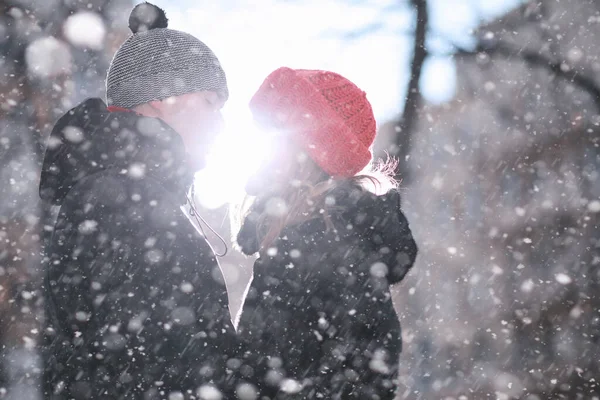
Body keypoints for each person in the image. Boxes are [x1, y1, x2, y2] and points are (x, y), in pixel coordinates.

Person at [39, 3, 239, 399]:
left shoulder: (131, 192)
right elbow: (153, 367)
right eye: (210, 101)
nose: (221, 120)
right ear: (162, 98)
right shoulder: (122, 199)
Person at [235, 67, 418, 399]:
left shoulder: (336, 244)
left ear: (311, 152)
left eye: (278, 134)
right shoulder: (295, 234)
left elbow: (358, 375)